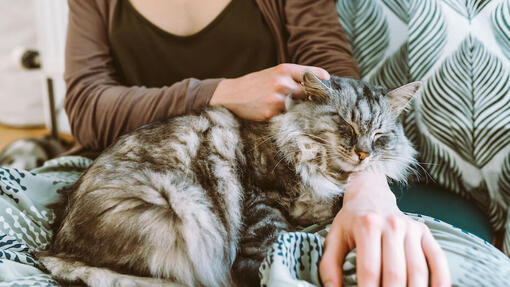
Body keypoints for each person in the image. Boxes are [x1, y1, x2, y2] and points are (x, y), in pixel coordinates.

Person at [64, 0, 451, 286]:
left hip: (289, 158)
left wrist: (367, 187)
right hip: (140, 171)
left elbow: (333, 75)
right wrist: (223, 92)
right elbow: (85, 107)